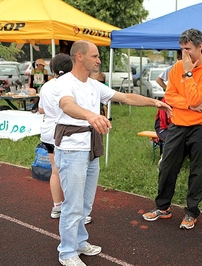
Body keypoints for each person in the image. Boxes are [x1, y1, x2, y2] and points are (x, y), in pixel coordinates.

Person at [53, 40, 171, 266]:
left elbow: (125, 97)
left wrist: (154, 102)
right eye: (95, 56)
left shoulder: (93, 85)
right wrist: (91, 115)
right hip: (71, 149)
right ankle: (67, 252)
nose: (98, 60)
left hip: (90, 148)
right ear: (79, 56)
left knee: (85, 204)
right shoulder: (65, 83)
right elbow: (67, 105)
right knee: (73, 204)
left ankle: (79, 241)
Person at [142, 28, 202, 230]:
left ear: (200, 47)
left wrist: (188, 74)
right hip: (178, 124)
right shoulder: (176, 67)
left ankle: (191, 212)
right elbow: (170, 96)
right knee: (167, 166)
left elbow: (196, 97)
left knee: (198, 171)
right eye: (182, 49)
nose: (184, 54)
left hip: (201, 127)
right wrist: (190, 105)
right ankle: (163, 207)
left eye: (188, 49)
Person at [37, 54, 97, 224]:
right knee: (75, 175)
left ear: (52, 69)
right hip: (67, 134)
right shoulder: (73, 84)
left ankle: (57, 206)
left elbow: (41, 109)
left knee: (56, 171)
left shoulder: (47, 86)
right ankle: (78, 213)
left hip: (49, 133)